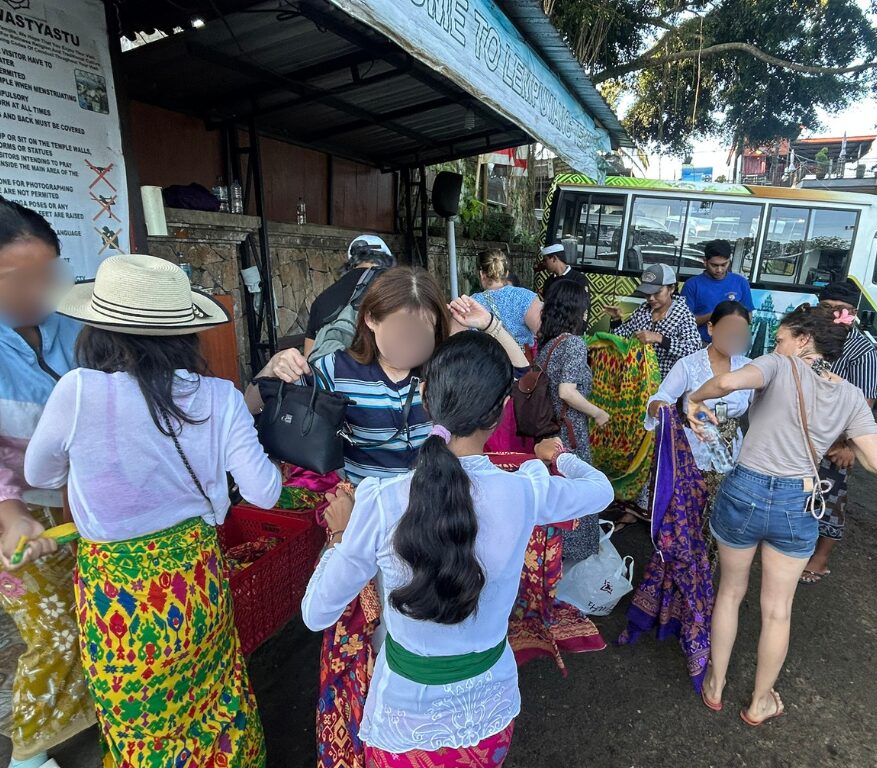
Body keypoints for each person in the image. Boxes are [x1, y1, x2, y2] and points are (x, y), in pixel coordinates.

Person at [246, 268, 527, 768]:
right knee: (361, 639)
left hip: (436, 521)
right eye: (400, 331)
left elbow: (520, 381)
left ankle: (436, 731)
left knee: (429, 632)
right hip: (362, 522)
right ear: (371, 321)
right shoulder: (333, 370)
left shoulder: (444, 370)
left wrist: (490, 326)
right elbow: (253, 405)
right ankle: (372, 731)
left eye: (424, 333)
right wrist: (271, 370)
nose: (412, 345)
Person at [301, 331, 613, 767]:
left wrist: (340, 536)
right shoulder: (524, 492)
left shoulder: (381, 500)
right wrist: (556, 455)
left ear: (424, 397)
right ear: (501, 410)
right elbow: (600, 490)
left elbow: (316, 613)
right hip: (489, 713)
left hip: (403, 722)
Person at [22, 253, 282, 766]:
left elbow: (40, 475)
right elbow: (266, 493)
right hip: (197, 587)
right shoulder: (221, 397)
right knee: (214, 701)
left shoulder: (77, 391)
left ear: (98, 329)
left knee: (142, 723)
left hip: (117, 602)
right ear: (185, 334)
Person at [687, 304, 877, 725]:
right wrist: (843, 441)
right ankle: (759, 702)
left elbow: (725, 382)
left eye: (781, 338)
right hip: (798, 501)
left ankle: (715, 684)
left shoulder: (778, 365)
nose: (775, 345)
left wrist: (694, 399)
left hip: (745, 490)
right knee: (778, 609)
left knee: (730, 592)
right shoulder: (852, 396)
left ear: (803, 340)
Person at [0, 198, 94, 768]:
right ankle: (29, 755)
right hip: (16, 517)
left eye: (48, 274)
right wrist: (10, 513)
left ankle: (93, 719)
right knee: (54, 633)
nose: (39, 290)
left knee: (92, 617)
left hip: (84, 505)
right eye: (19, 278)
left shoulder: (77, 328)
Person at [642, 301, 754, 558]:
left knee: (719, 517)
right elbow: (660, 398)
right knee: (686, 514)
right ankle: (679, 568)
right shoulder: (689, 365)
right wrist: (662, 408)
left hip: (730, 453)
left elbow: (762, 409)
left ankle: (705, 571)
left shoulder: (748, 369)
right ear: (711, 328)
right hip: (693, 451)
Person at [801, 280, 877, 584]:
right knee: (800, 491)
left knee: (830, 496)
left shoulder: (863, 352)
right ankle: (795, 544)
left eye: (843, 309)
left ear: (854, 312)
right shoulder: (809, 337)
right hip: (800, 433)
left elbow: (864, 406)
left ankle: (820, 558)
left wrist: (848, 444)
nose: (834, 314)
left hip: (836, 441)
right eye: (827, 307)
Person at [535, 280, 610, 563]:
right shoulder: (574, 344)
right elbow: (567, 392)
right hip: (570, 432)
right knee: (580, 492)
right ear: (579, 311)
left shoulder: (548, 344)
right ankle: (575, 557)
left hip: (547, 430)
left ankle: (551, 555)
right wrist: (597, 413)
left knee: (556, 493)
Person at [605, 263, 703, 379]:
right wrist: (616, 320)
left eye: (657, 293)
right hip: (638, 378)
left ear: (671, 289)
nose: (651, 298)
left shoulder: (683, 315)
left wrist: (660, 339)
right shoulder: (643, 310)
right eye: (647, 293)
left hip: (666, 381)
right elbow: (622, 338)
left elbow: (694, 349)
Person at [304, 234, 396, 356]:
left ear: (351, 262)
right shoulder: (393, 289)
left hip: (335, 366)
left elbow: (309, 355)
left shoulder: (321, 299)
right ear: (388, 261)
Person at [682, 239, 754, 344]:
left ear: (729, 260)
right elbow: (684, 324)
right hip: (700, 343)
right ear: (705, 261)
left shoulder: (741, 282)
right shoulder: (692, 285)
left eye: (724, 265)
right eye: (714, 265)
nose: (719, 270)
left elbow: (749, 316)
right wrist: (716, 314)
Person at [472, 249, 543, 348]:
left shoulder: (471, 303)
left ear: (482, 274)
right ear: (506, 273)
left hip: (485, 356)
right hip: (520, 357)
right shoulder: (526, 297)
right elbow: (543, 333)